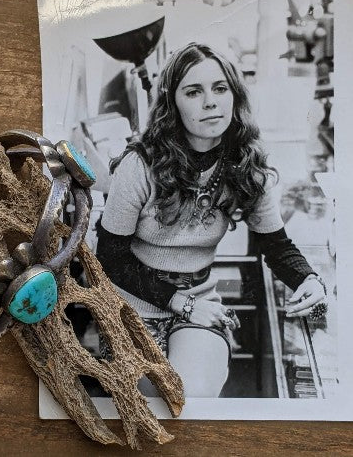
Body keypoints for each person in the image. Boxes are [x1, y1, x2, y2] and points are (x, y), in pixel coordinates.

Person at [95, 42, 327, 398]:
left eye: (220, 88)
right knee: (153, 401)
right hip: (131, 305)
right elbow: (111, 258)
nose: (210, 102)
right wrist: (182, 304)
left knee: (193, 396)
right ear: (173, 103)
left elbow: (276, 244)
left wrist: (308, 278)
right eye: (193, 91)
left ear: (234, 96)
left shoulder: (247, 166)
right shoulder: (139, 165)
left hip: (199, 301)